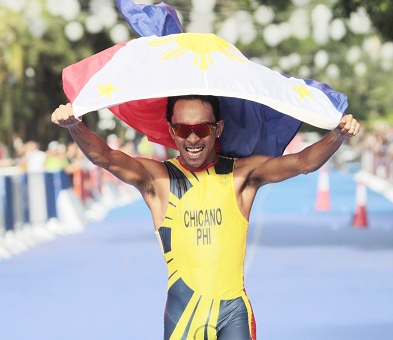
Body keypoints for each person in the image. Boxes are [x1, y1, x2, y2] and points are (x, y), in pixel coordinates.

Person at [51, 95, 360, 340]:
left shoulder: (242, 175)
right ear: (172, 131)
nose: (194, 139)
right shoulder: (158, 180)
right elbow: (105, 156)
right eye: (184, 129)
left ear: (219, 129)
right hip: (184, 317)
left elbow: (303, 163)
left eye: (203, 129)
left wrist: (337, 136)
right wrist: (74, 126)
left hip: (233, 316)